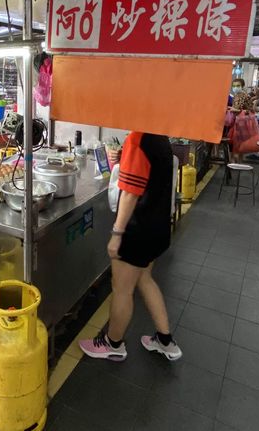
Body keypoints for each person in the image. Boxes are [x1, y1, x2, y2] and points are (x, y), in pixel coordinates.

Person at [79, 132, 182, 362]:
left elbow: (130, 194)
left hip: (137, 230)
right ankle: (165, 341)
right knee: (145, 278)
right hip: (157, 227)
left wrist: (117, 233)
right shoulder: (159, 136)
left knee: (122, 289)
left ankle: (113, 343)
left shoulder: (138, 138)